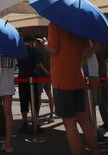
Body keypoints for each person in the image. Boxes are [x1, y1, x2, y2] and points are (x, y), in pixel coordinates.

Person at [41, 24, 99, 155]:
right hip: (78, 78)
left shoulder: (55, 24)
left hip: (62, 79)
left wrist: (45, 43)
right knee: (84, 119)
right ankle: (96, 152)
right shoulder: (79, 26)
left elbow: (53, 48)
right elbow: (86, 51)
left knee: (70, 125)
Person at [18, 34, 49, 133]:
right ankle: (34, 123)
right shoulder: (33, 50)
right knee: (34, 100)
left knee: (23, 99)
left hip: (21, 76)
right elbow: (38, 64)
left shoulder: (19, 50)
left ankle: (24, 123)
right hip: (32, 77)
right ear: (31, 41)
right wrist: (46, 72)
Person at [94, 45, 108, 133]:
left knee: (101, 100)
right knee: (107, 98)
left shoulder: (94, 47)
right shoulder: (102, 46)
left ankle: (107, 122)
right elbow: (105, 61)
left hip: (97, 74)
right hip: (103, 74)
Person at [34, 37, 54, 122]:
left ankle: (37, 115)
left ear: (36, 42)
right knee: (49, 95)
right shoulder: (48, 50)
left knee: (38, 96)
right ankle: (51, 114)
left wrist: (45, 71)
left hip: (39, 75)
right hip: (48, 76)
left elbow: (38, 64)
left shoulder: (36, 50)